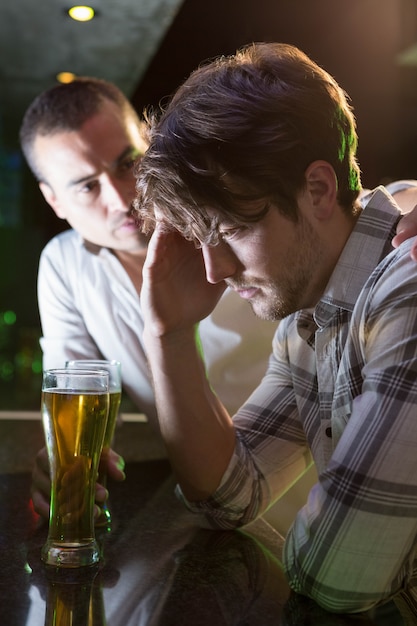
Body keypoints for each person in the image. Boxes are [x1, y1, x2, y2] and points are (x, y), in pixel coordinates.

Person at [133, 42, 417, 617]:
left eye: (233, 228)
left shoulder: (407, 284)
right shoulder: (308, 317)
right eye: (200, 240)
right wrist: (166, 332)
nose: (215, 271)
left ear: (317, 189)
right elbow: (229, 496)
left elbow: (341, 575)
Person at [20, 77, 278, 516]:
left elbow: (343, 206)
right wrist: (68, 454)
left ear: (149, 143)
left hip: (320, 481)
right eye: (86, 186)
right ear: (53, 201)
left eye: (127, 163)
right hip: (210, 508)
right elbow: (76, 398)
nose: (122, 199)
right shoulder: (65, 266)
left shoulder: (225, 207)